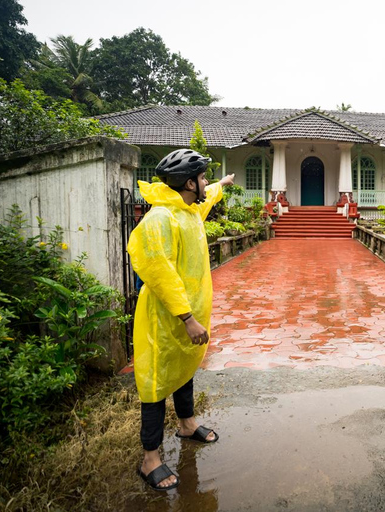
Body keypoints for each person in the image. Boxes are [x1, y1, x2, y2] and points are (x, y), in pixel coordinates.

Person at [127, 148, 235, 491]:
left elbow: (206, 200)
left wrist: (222, 184)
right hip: (166, 319)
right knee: (156, 383)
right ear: (189, 183)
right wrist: (187, 316)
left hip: (187, 319)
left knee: (185, 370)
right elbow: (158, 270)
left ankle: (187, 425)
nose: (205, 183)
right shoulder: (161, 218)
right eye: (202, 178)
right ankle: (150, 459)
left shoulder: (186, 209)